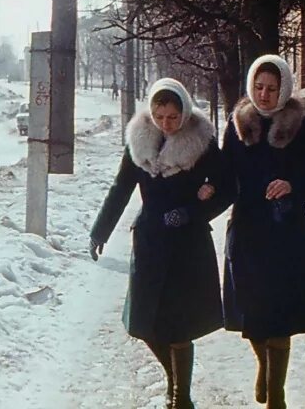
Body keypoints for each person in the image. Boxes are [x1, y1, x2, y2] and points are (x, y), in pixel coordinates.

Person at [89, 78, 226, 409]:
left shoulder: (202, 143)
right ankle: (173, 380)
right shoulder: (139, 143)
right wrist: (100, 231)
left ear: (184, 113)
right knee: (144, 322)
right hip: (150, 241)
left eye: (173, 117)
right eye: (160, 116)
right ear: (151, 113)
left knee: (179, 325)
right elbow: (121, 188)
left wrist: (193, 210)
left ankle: (181, 397)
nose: (166, 124)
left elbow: (227, 187)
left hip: (187, 246)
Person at [218, 55, 305, 409]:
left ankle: (277, 395)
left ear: (284, 89)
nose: (264, 95)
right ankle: (263, 364)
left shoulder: (301, 127)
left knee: (280, 316)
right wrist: (201, 199)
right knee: (252, 311)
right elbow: (223, 176)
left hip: (285, 231)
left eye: (272, 88)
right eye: (258, 87)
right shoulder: (237, 125)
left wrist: (291, 184)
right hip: (247, 230)